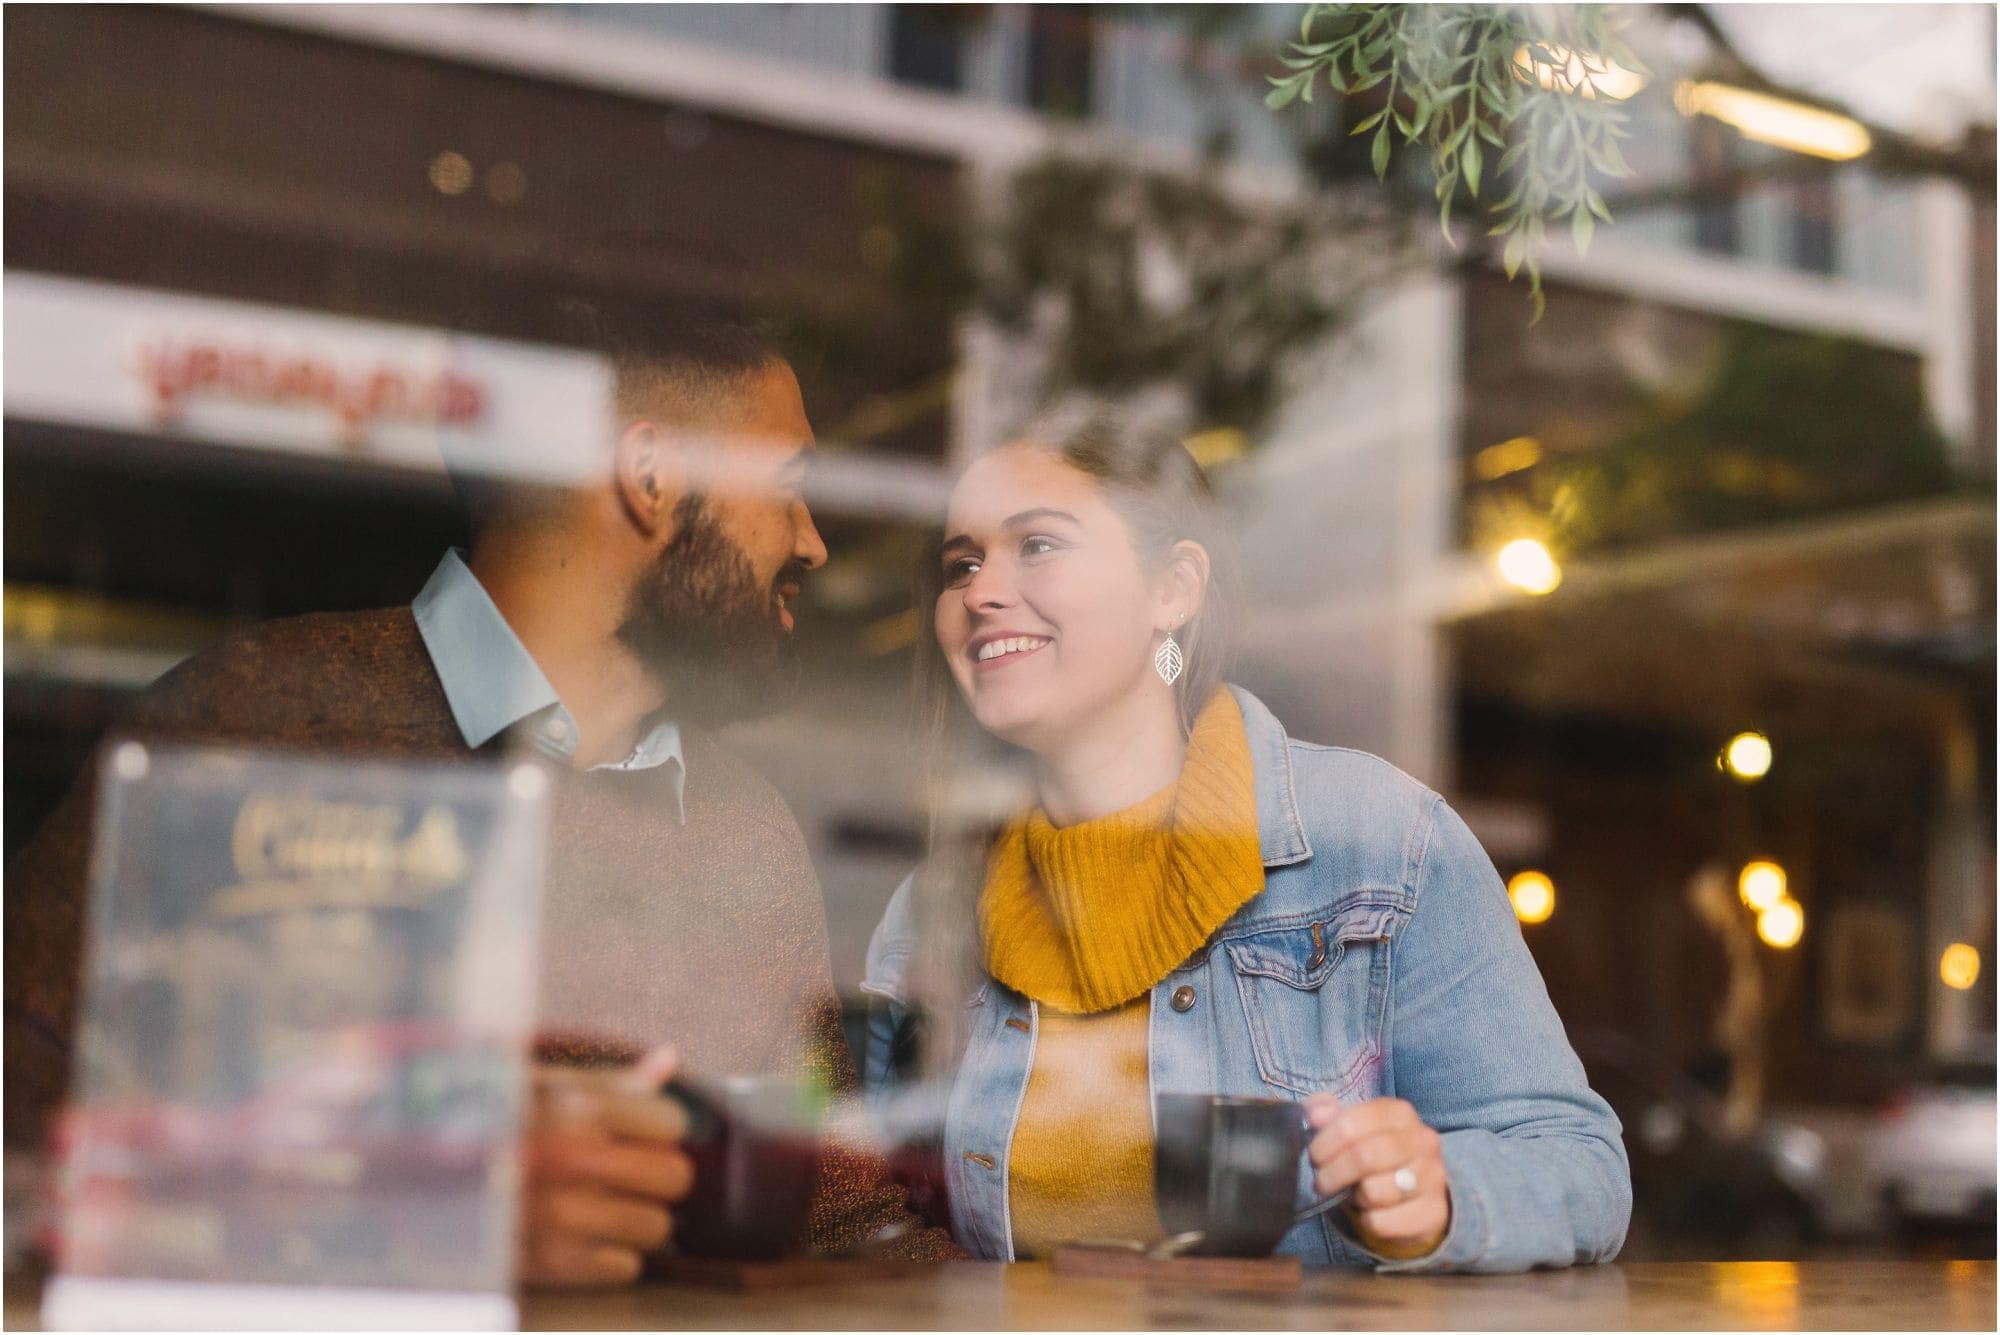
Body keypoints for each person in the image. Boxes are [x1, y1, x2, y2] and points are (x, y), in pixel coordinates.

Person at [5, 308, 956, 1284]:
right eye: (789, 489)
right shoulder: (247, 725)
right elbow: (20, 1157)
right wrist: (410, 1216)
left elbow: (845, 1223)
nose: (813, 543)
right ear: (653, 478)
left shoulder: (746, 827)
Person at [860, 411, 1631, 1270]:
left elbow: (1579, 1165)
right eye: (960, 563)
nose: (979, 591)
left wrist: (1435, 1193)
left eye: (1037, 545)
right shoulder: (929, 909)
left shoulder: (1381, 843)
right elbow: (855, 1210)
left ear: (1174, 590)